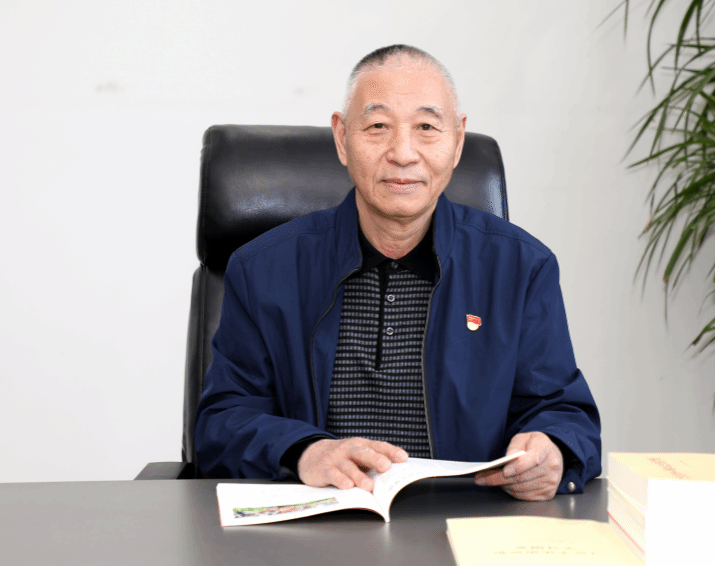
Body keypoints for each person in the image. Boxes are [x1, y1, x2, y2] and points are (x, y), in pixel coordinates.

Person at [194, 45, 601, 501]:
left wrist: (553, 449)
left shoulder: (520, 268)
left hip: (463, 522)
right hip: (320, 524)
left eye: (426, 127)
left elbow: (563, 412)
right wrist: (304, 451)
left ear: (457, 140)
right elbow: (221, 424)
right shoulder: (263, 269)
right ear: (342, 138)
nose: (403, 154)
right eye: (378, 127)